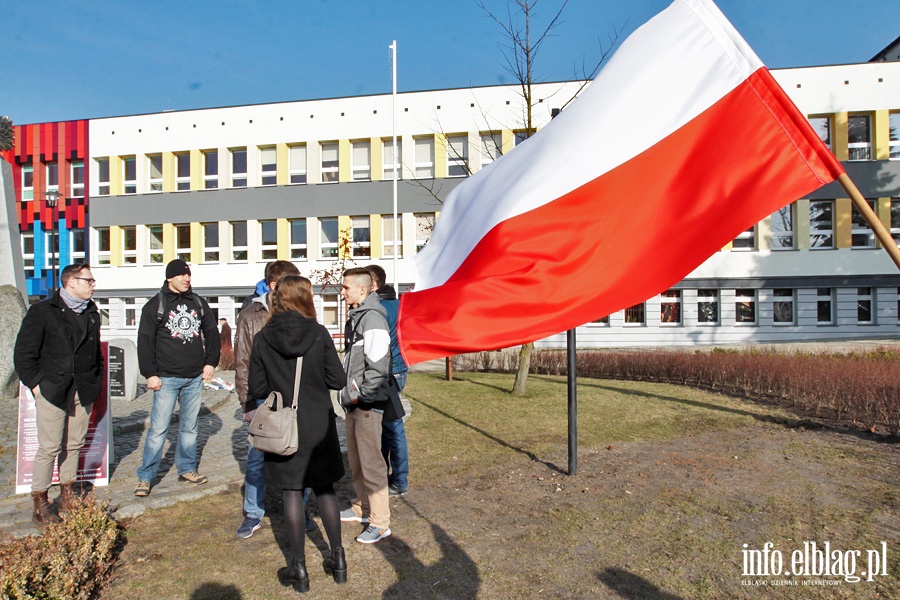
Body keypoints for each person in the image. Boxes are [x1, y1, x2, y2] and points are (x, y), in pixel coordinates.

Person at [247, 276, 347, 592]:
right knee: (325, 488)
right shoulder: (318, 334)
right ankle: (339, 559)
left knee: (291, 492)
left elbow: (258, 388)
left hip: (283, 427)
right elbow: (338, 379)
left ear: (277, 301)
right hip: (318, 424)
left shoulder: (263, 338)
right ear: (305, 298)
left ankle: (299, 570)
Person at [14, 264, 103, 525]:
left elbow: (95, 352)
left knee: (74, 444)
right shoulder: (42, 311)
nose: (93, 284)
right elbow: (23, 353)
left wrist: (95, 382)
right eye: (89, 280)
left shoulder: (92, 312)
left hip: (83, 388)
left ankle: (67, 493)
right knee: (50, 447)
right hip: (52, 389)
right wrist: (36, 384)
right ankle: (40, 501)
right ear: (71, 282)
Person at [134, 259, 220, 497]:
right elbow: (145, 341)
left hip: (194, 377)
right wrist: (150, 373)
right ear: (170, 278)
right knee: (158, 429)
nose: (187, 279)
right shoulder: (155, 306)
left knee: (190, 427)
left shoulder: (199, 303)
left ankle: (187, 468)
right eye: (182, 276)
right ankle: (145, 477)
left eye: (189, 276)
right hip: (166, 378)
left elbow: (212, 334)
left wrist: (211, 362)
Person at [233, 260, 302, 539]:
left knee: (297, 453)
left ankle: (300, 509)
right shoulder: (251, 316)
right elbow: (242, 361)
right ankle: (253, 511)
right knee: (256, 456)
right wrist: (247, 402)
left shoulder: (298, 310)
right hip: (262, 398)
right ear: (274, 286)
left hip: (293, 396)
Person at [338, 267, 393, 544]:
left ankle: (381, 523)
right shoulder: (357, 316)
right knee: (357, 460)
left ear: (363, 289)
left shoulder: (372, 319)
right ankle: (361, 507)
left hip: (367, 405)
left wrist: (361, 396)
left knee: (372, 463)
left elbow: (378, 367)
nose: (342, 291)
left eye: (346, 287)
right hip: (354, 405)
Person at [366, 264, 409, 496]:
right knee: (385, 425)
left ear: (373, 285)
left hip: (387, 373)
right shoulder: (398, 305)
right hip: (398, 369)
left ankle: (399, 480)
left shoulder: (379, 309)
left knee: (392, 426)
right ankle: (387, 476)